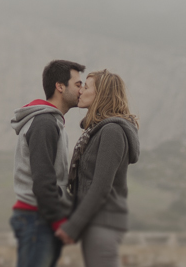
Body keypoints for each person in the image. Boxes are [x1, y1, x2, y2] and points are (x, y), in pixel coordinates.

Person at [55, 70, 140, 267]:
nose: (80, 91)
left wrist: (73, 226)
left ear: (101, 93)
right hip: (96, 220)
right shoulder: (98, 130)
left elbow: (101, 186)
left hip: (104, 221)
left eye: (86, 87)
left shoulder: (112, 131)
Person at [10, 59, 86, 267]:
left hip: (40, 218)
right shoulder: (44, 123)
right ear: (60, 86)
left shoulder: (52, 121)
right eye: (77, 84)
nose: (81, 90)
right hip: (37, 219)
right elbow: (43, 179)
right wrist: (58, 221)